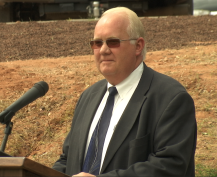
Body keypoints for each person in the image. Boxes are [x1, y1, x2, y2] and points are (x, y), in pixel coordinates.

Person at [52, 7, 197, 177]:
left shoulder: (170, 98)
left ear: (138, 46)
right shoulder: (88, 97)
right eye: (97, 43)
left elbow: (169, 166)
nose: (103, 50)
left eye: (113, 42)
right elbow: (67, 160)